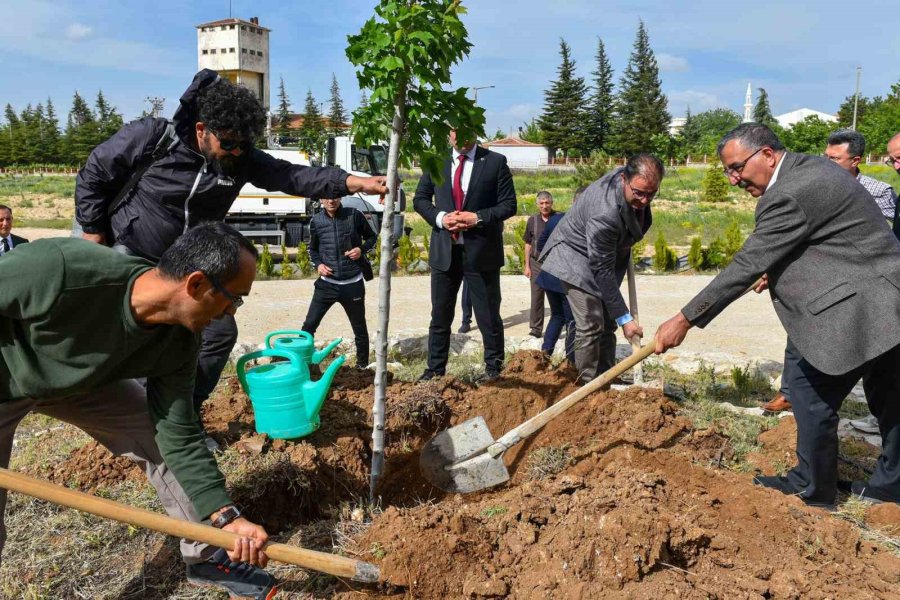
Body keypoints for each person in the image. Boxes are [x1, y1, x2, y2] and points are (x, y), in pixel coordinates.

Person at [73, 70, 387, 444]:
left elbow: (292, 176)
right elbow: (94, 171)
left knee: (219, 331)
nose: (236, 152)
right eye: (229, 144)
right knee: (139, 336)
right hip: (132, 251)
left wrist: (355, 182)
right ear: (203, 129)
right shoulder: (153, 137)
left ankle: (183, 416)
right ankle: (141, 424)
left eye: (243, 145)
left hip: (188, 262)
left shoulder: (239, 158)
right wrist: (92, 231)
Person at [0, 223, 278, 597]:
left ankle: (207, 553)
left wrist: (224, 516)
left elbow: (177, 432)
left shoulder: (181, 340)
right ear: (195, 284)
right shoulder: (61, 268)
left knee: (155, 438)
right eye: (233, 299)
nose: (230, 313)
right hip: (5, 379)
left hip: (82, 383)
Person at [654, 123, 900, 508]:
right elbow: (829, 237)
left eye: (737, 167)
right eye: (728, 171)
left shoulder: (788, 193)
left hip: (864, 305)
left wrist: (684, 319)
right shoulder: (813, 170)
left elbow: (747, 262)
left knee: (808, 392)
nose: (734, 179)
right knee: (890, 395)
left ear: (767, 155)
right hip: (888, 293)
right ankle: (892, 485)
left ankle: (812, 489)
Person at [763, 129, 899, 423]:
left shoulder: (878, 192)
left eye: (834, 159)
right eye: (825, 157)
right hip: (819, 278)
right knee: (799, 332)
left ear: (856, 160)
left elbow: (887, 240)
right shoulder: (812, 187)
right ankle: (790, 392)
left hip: (862, 283)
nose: (826, 163)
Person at [539, 154, 661, 384]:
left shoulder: (629, 184)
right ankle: (586, 385)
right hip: (574, 256)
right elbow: (601, 269)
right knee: (591, 322)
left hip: (604, 254)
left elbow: (634, 221)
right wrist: (627, 319)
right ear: (624, 179)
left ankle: (608, 378)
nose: (645, 200)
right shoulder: (604, 212)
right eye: (639, 193)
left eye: (651, 194)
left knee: (607, 321)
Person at [413, 129, 517, 382]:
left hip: (481, 252)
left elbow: (508, 204)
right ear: (448, 134)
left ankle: (494, 369)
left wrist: (478, 217)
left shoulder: (494, 162)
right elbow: (420, 199)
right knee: (440, 315)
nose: (461, 140)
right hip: (445, 252)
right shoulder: (435, 160)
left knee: (488, 316)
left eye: (466, 133)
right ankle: (435, 370)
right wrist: (440, 218)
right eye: (455, 133)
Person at [301, 197, 377, 368]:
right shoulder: (317, 221)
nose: (331, 201)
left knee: (359, 328)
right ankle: (302, 365)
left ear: (340, 197)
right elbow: (312, 249)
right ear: (321, 199)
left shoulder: (354, 215)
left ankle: (362, 367)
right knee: (309, 326)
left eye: (334, 196)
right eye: (326, 197)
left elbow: (372, 237)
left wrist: (361, 249)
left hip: (353, 283)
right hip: (326, 284)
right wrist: (318, 264)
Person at [535, 210, 575, 363]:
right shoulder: (581, 221)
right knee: (572, 321)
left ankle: (545, 355)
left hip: (549, 274)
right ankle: (571, 362)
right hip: (567, 278)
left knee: (557, 315)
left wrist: (553, 256)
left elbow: (540, 245)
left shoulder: (554, 219)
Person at [523, 191, 555, 337]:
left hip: (555, 263)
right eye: (541, 203)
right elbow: (528, 244)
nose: (544, 206)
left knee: (557, 296)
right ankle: (536, 329)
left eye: (547, 203)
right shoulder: (532, 221)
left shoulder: (559, 218)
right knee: (536, 296)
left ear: (551, 203)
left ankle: (560, 327)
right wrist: (527, 266)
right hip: (536, 263)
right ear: (537, 205)